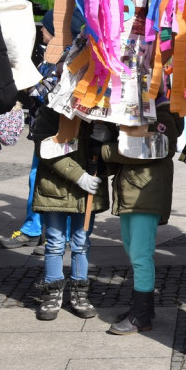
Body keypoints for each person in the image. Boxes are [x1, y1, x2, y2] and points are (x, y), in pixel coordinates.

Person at [101, 98, 180, 334]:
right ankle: (142, 307)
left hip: (146, 193)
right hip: (133, 191)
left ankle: (142, 314)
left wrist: (106, 150)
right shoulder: (143, 108)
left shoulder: (165, 111)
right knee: (132, 250)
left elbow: (158, 147)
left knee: (140, 255)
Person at [29, 109, 108, 321]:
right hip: (54, 189)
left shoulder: (101, 109)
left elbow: (113, 157)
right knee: (55, 242)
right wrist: (78, 175)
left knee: (81, 242)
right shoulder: (53, 108)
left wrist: (106, 140)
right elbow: (43, 147)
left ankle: (79, 292)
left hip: (86, 191)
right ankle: (52, 292)